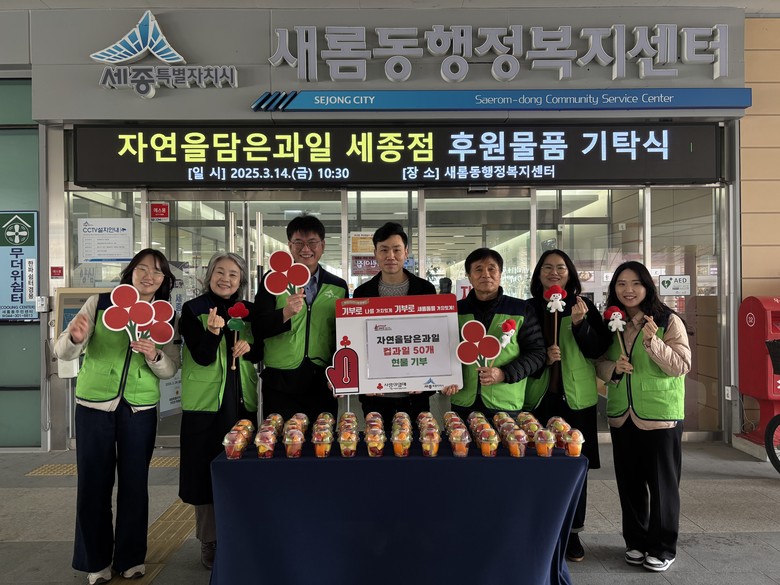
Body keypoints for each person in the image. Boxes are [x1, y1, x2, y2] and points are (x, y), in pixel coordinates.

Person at [53, 249, 180, 585]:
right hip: (94, 407)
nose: (149, 276)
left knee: (135, 485)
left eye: (157, 272)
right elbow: (62, 349)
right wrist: (74, 338)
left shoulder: (165, 315)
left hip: (140, 409)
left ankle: (131, 558)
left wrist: (154, 356)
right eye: (142, 269)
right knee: (93, 484)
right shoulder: (100, 303)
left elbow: (171, 368)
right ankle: (95, 562)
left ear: (164, 280)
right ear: (130, 272)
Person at [596, 261, 691, 573]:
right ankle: (635, 541)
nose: (628, 290)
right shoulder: (613, 322)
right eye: (621, 284)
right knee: (630, 484)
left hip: (660, 416)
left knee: (663, 486)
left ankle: (663, 547)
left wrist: (654, 344)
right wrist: (613, 369)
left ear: (647, 286)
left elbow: (681, 365)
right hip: (622, 415)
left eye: (635, 283)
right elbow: (599, 362)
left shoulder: (667, 320)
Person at [525, 249, 611, 563]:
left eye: (560, 267)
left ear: (570, 273)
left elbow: (599, 349)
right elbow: (518, 351)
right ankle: (539, 529)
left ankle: (573, 532)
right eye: (547, 267)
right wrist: (542, 360)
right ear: (538, 275)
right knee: (537, 466)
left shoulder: (583, 306)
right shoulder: (529, 308)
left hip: (577, 400)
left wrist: (579, 325)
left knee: (575, 468)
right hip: (538, 399)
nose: (554, 272)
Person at [178, 252, 261, 570]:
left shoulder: (248, 311)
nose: (226, 279)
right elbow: (201, 357)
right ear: (209, 275)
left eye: (233, 274)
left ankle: (239, 535)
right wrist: (213, 333)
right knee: (205, 471)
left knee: (240, 468)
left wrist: (249, 348)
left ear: (242, 280)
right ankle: (209, 540)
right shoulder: (193, 310)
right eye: (220, 272)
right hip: (205, 405)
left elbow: (261, 350)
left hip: (240, 402)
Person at [255, 214, 348, 423]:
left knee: (322, 438)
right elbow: (258, 327)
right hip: (281, 381)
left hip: (322, 380)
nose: (306, 249)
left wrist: (341, 375)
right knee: (278, 439)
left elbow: (343, 335)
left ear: (322, 245)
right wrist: (285, 313)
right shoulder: (273, 280)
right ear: (290, 246)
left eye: (312, 242)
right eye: (299, 242)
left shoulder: (338, 286)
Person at [441, 248, 545, 419]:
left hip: (505, 405)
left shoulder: (521, 309)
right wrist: (444, 381)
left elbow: (537, 354)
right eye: (478, 269)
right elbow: (442, 351)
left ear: (500, 273)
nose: (486, 274)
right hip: (462, 402)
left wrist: (504, 373)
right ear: (469, 276)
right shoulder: (454, 310)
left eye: (491, 269)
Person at [352, 222, 437, 423]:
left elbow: (434, 339)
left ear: (406, 252)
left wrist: (429, 382)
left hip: (415, 394)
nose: (390, 256)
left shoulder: (425, 290)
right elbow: (357, 341)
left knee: (419, 439)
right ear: (375, 254)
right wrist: (362, 382)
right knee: (376, 439)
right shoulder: (362, 293)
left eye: (397, 250)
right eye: (384, 250)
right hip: (375, 395)